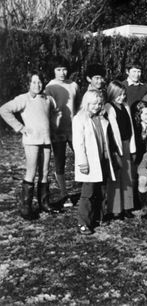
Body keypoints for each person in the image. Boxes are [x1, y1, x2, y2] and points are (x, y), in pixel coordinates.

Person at [0, 71, 59, 219]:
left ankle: (44, 203)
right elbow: (4, 110)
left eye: (39, 82)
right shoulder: (23, 99)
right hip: (32, 140)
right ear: (28, 84)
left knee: (45, 172)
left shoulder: (48, 99)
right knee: (31, 172)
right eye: (33, 82)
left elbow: (54, 114)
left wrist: (54, 129)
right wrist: (20, 127)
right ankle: (26, 207)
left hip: (46, 139)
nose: (37, 85)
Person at [72, 90, 115, 235]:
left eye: (99, 104)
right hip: (89, 162)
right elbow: (78, 144)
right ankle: (83, 222)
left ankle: (99, 216)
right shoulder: (80, 119)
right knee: (88, 193)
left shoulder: (100, 118)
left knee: (101, 189)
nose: (96, 106)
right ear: (86, 103)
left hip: (102, 159)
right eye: (93, 104)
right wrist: (82, 162)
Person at [45, 55, 80, 207]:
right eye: (58, 69)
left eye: (64, 69)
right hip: (57, 130)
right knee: (60, 161)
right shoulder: (49, 87)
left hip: (73, 130)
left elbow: (78, 105)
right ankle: (63, 192)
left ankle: (86, 189)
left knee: (81, 156)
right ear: (53, 71)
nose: (62, 73)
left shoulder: (74, 85)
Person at [104, 81, 136, 220]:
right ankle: (115, 208)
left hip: (127, 143)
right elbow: (111, 131)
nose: (121, 97)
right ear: (112, 94)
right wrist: (115, 150)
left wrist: (132, 147)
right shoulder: (108, 107)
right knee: (116, 178)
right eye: (119, 94)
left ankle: (127, 206)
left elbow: (131, 127)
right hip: (116, 146)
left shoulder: (126, 106)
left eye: (123, 94)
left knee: (127, 176)